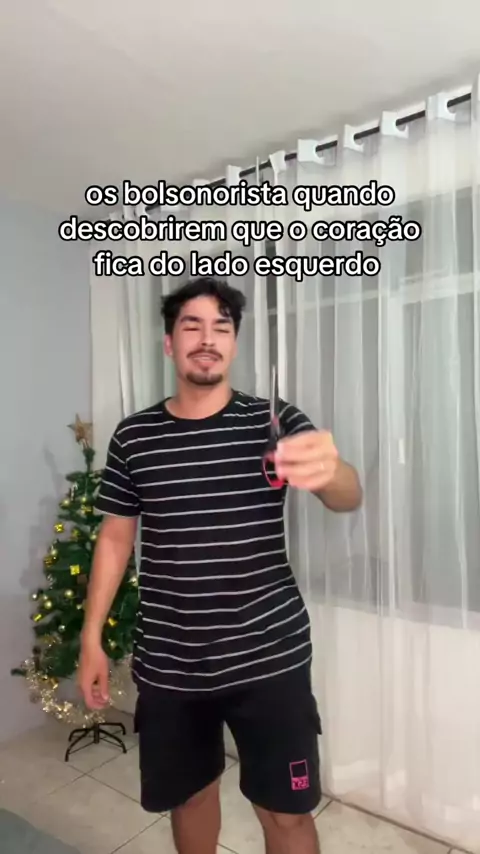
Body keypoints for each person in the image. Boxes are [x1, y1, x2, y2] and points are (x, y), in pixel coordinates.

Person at [78, 276, 362, 854]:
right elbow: (115, 537)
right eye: (192, 326)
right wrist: (91, 639)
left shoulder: (273, 421)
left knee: (286, 814)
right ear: (170, 343)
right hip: (171, 665)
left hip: (269, 658)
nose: (207, 339)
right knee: (188, 800)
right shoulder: (134, 436)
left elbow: (346, 495)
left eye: (221, 328)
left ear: (233, 344)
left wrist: (330, 471)